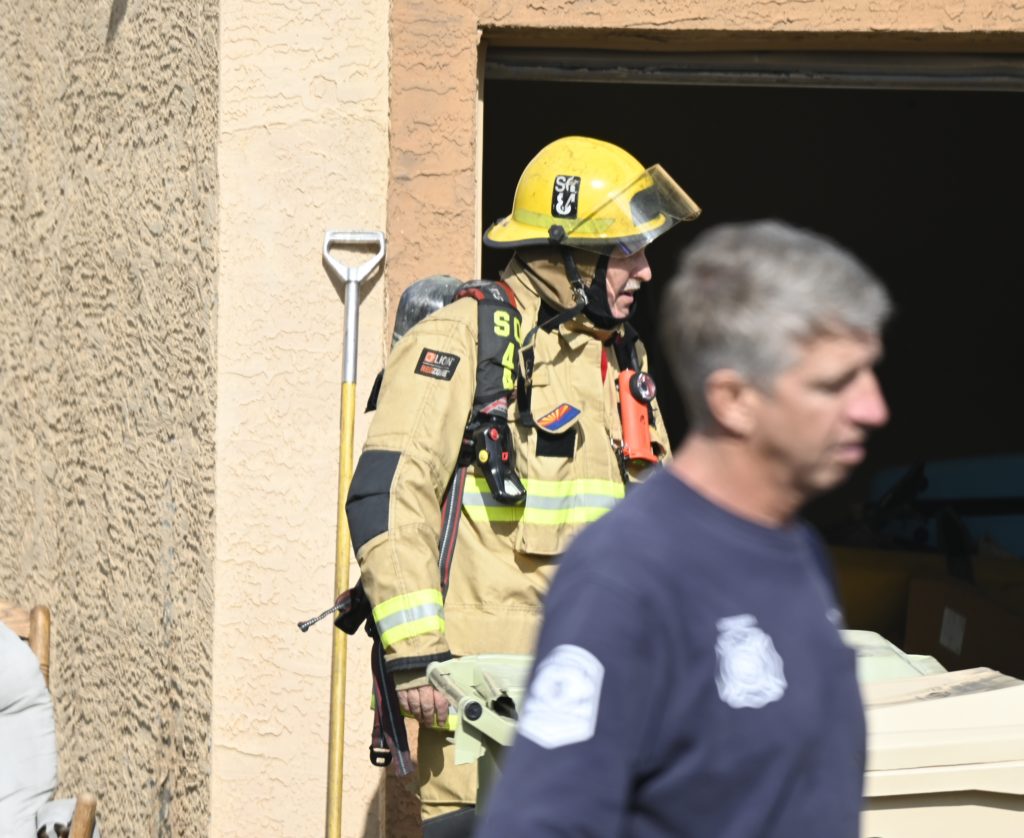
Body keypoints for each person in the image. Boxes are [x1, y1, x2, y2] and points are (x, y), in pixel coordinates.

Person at [476, 219, 892, 837]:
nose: (873, 408)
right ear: (733, 399)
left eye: (869, 373)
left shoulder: (798, 549)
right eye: (835, 384)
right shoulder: (626, 577)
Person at [344, 136, 700, 835]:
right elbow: (388, 495)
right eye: (626, 251)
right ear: (571, 255)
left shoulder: (620, 357)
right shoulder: (462, 340)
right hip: (488, 705)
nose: (646, 270)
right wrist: (416, 654)